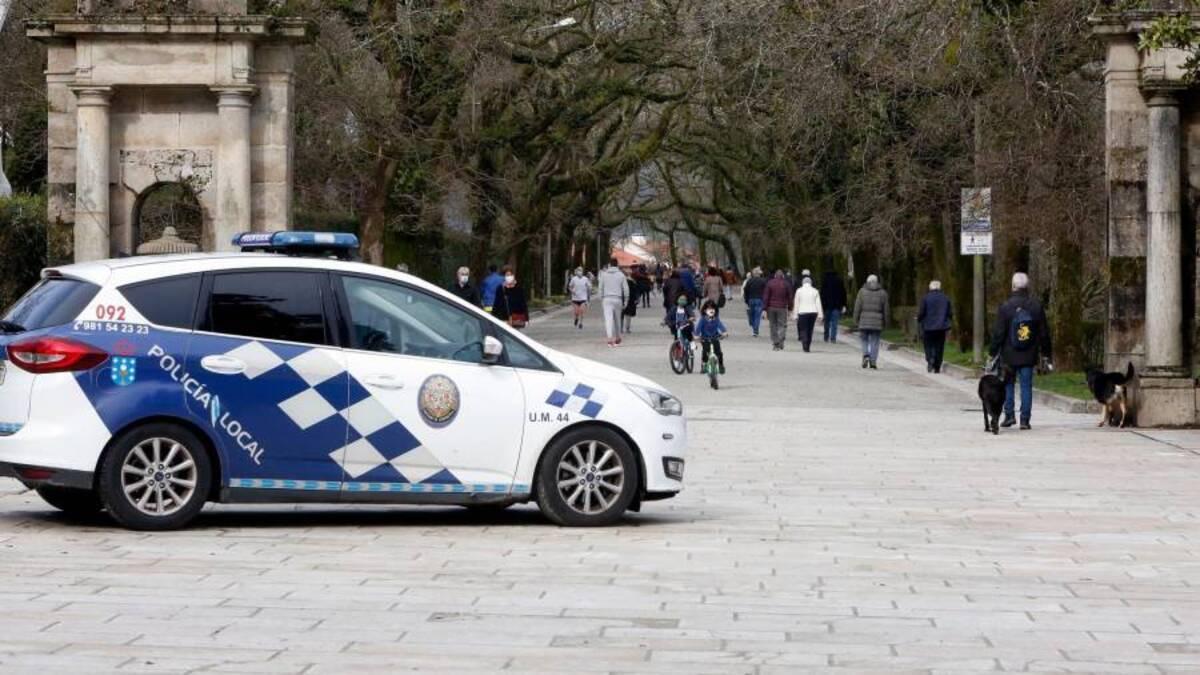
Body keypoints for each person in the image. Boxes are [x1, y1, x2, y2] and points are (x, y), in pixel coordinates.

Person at [989, 272, 1053, 430]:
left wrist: (992, 352)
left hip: (1009, 354)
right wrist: (1046, 353)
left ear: (1013, 286)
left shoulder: (1005, 307)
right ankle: (1025, 419)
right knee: (1026, 386)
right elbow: (1044, 333)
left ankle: (1009, 415)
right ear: (1027, 286)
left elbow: (999, 333)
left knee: (1008, 384)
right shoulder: (1036, 306)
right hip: (1029, 353)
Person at [853, 273, 888, 369]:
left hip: (864, 320)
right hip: (877, 321)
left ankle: (865, 355)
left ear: (867, 282)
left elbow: (857, 307)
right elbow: (886, 310)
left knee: (864, 340)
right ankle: (873, 362)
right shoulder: (883, 293)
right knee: (875, 341)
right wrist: (886, 322)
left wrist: (855, 320)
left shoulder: (861, 292)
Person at [917, 279, 953, 373]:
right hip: (941, 326)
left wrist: (919, 319)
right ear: (939, 287)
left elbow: (922, 312)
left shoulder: (926, 298)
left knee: (928, 345)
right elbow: (949, 313)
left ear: (930, 287)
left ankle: (930, 360)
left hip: (928, 326)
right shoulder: (945, 298)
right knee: (939, 346)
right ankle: (937, 365)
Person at [598, 258, 628, 347]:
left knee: (608, 319)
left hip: (606, 299)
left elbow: (600, 288)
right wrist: (626, 300)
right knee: (617, 319)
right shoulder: (621, 275)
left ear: (609, 265)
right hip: (617, 298)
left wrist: (601, 298)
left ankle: (609, 339)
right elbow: (625, 289)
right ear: (617, 265)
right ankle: (618, 338)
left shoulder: (604, 275)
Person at [762, 269, 793, 351]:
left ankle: (776, 343)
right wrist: (790, 308)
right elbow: (790, 297)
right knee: (782, 325)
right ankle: (780, 341)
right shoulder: (786, 284)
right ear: (783, 276)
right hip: (782, 307)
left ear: (775, 276)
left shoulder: (770, 283)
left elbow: (766, 297)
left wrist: (764, 309)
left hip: (771, 307)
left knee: (773, 325)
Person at [695, 299, 728, 375]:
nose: (711, 310)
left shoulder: (716, 319)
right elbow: (698, 328)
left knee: (719, 352)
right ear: (705, 310)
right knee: (705, 351)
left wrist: (724, 332)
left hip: (715, 337)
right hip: (705, 338)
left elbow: (721, 326)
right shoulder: (703, 319)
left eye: (712, 309)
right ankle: (704, 364)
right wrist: (696, 336)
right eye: (709, 309)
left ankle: (720, 365)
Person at [792, 276, 824, 353]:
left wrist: (795, 315)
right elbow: (818, 303)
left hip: (802, 312)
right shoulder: (815, 291)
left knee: (803, 329)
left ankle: (804, 343)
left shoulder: (799, 291)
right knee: (810, 329)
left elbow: (797, 303)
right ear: (811, 283)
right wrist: (820, 314)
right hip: (813, 312)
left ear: (802, 283)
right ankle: (808, 345)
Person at [819, 270, 847, 343]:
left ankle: (826, 336)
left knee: (827, 322)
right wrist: (844, 304)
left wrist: (821, 305)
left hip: (827, 305)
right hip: (837, 305)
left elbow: (822, 294)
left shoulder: (825, 281)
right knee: (834, 322)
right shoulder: (839, 281)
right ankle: (833, 337)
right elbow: (843, 293)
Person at [742, 267, 767, 338]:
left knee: (752, 315)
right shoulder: (763, 281)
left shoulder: (749, 281)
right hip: (759, 300)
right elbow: (766, 291)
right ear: (759, 274)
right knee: (757, 316)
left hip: (751, 300)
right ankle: (755, 330)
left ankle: (754, 329)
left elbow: (745, 290)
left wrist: (746, 300)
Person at [622, 267, 639, 334]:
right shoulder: (632, 281)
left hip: (622, 299)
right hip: (630, 300)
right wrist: (636, 299)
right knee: (628, 315)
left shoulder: (621, 281)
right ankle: (627, 328)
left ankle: (620, 328)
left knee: (621, 314)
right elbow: (635, 291)